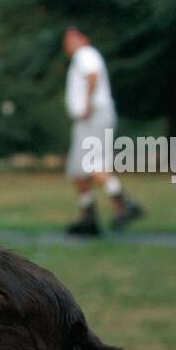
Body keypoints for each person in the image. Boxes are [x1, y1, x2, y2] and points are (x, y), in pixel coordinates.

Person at [62, 27, 143, 236]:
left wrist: (88, 105)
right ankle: (89, 217)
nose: (67, 44)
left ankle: (126, 204)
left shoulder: (86, 54)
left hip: (93, 116)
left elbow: (93, 75)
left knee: (92, 165)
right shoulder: (80, 59)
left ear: (83, 38)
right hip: (86, 119)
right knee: (78, 170)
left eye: (71, 39)